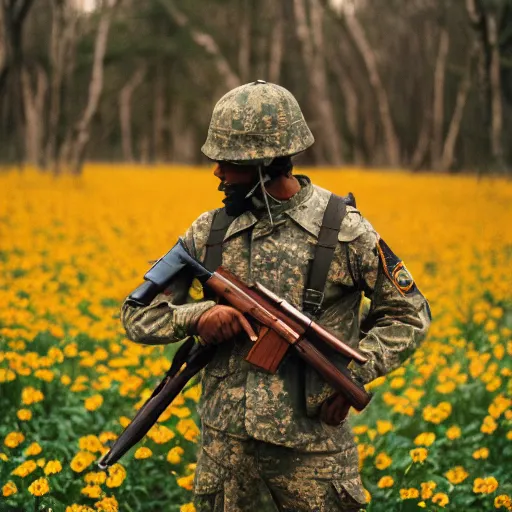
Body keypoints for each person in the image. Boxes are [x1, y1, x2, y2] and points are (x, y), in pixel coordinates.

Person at [121, 80, 432, 512]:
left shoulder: (344, 231)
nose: (217, 173)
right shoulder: (207, 232)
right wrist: (196, 317)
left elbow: (409, 314)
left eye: (228, 162)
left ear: (266, 161)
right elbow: (136, 316)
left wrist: (354, 376)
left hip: (315, 463)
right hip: (226, 463)